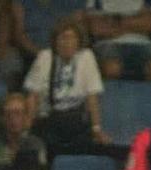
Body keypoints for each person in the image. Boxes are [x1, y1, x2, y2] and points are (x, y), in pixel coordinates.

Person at [23, 18, 108, 153]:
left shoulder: (87, 57)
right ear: (55, 41)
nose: (66, 43)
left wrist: (96, 128)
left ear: (78, 41)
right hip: (49, 119)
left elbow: (92, 96)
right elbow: (33, 95)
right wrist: (27, 126)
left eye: (71, 38)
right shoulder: (44, 57)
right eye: (62, 38)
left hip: (75, 120)